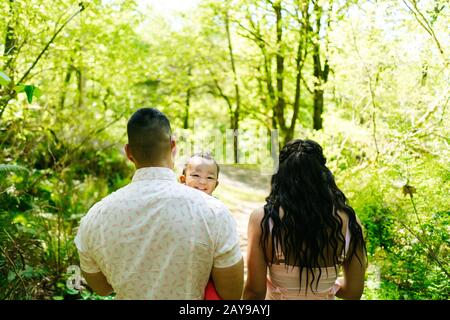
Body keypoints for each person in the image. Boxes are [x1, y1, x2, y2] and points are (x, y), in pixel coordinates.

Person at [74, 108, 244, 299]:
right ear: (173, 146)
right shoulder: (213, 212)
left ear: (129, 152)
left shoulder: (94, 218)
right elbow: (232, 295)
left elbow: (102, 288)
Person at [243, 139, 367, 300]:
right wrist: (328, 285)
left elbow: (254, 292)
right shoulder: (349, 222)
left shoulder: (263, 220)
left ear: (280, 175)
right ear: (323, 175)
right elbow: (353, 292)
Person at [179, 152, 222, 299]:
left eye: (210, 177)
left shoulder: (217, 211)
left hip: (207, 272)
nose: (203, 182)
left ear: (216, 184)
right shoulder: (176, 205)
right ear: (183, 179)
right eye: (196, 176)